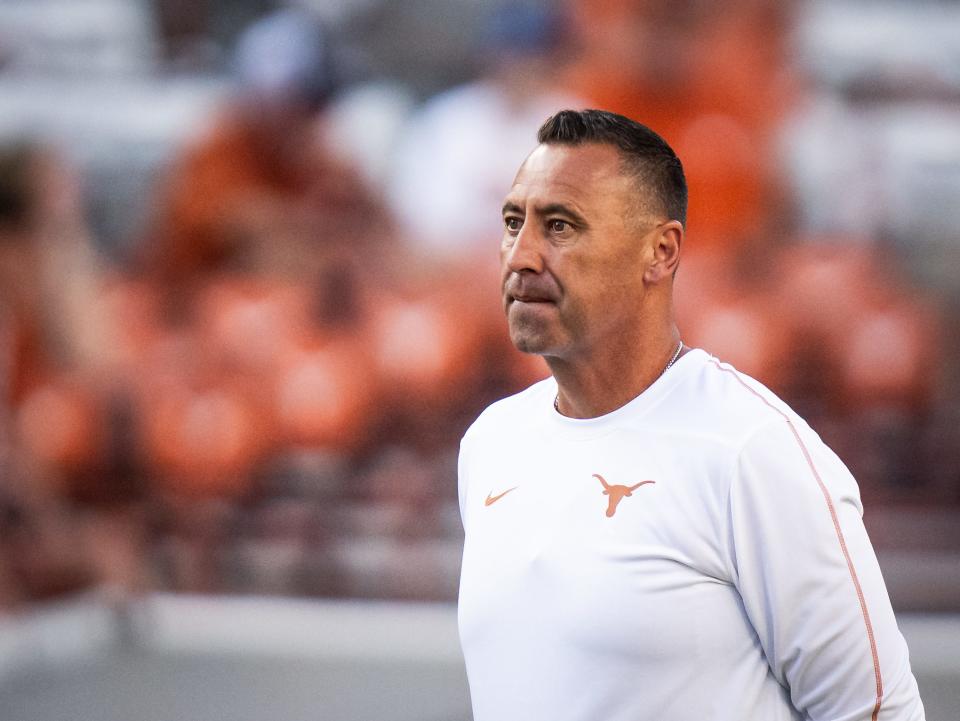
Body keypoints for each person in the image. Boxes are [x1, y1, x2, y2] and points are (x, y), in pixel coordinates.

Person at [456, 109, 924, 720]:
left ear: (661, 251)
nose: (521, 257)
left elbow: (878, 712)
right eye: (513, 223)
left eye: (561, 227)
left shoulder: (750, 449)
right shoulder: (491, 442)